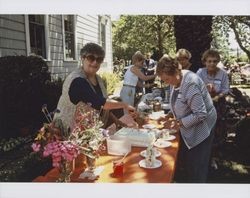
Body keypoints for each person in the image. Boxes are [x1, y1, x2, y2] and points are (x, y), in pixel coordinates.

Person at [156, 56, 217, 183]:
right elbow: (179, 102)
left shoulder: (190, 83)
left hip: (203, 127)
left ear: (175, 72)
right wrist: (170, 115)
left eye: (167, 79)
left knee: (197, 164)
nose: (166, 83)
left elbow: (200, 114)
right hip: (192, 124)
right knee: (187, 161)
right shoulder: (176, 79)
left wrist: (178, 124)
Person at [54, 42, 136, 132]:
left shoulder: (98, 79)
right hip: (68, 133)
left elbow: (103, 104)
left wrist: (116, 121)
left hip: (88, 132)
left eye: (99, 59)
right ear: (82, 58)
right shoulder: (77, 80)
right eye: (91, 58)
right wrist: (125, 105)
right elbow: (101, 103)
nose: (95, 62)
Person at [196, 49, 230, 169]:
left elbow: (226, 90)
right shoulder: (200, 72)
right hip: (203, 105)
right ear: (205, 62)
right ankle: (201, 157)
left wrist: (217, 96)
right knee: (203, 131)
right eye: (209, 61)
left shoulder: (223, 74)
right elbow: (194, 88)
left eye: (215, 61)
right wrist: (205, 87)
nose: (212, 64)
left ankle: (213, 158)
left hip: (218, 105)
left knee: (216, 132)